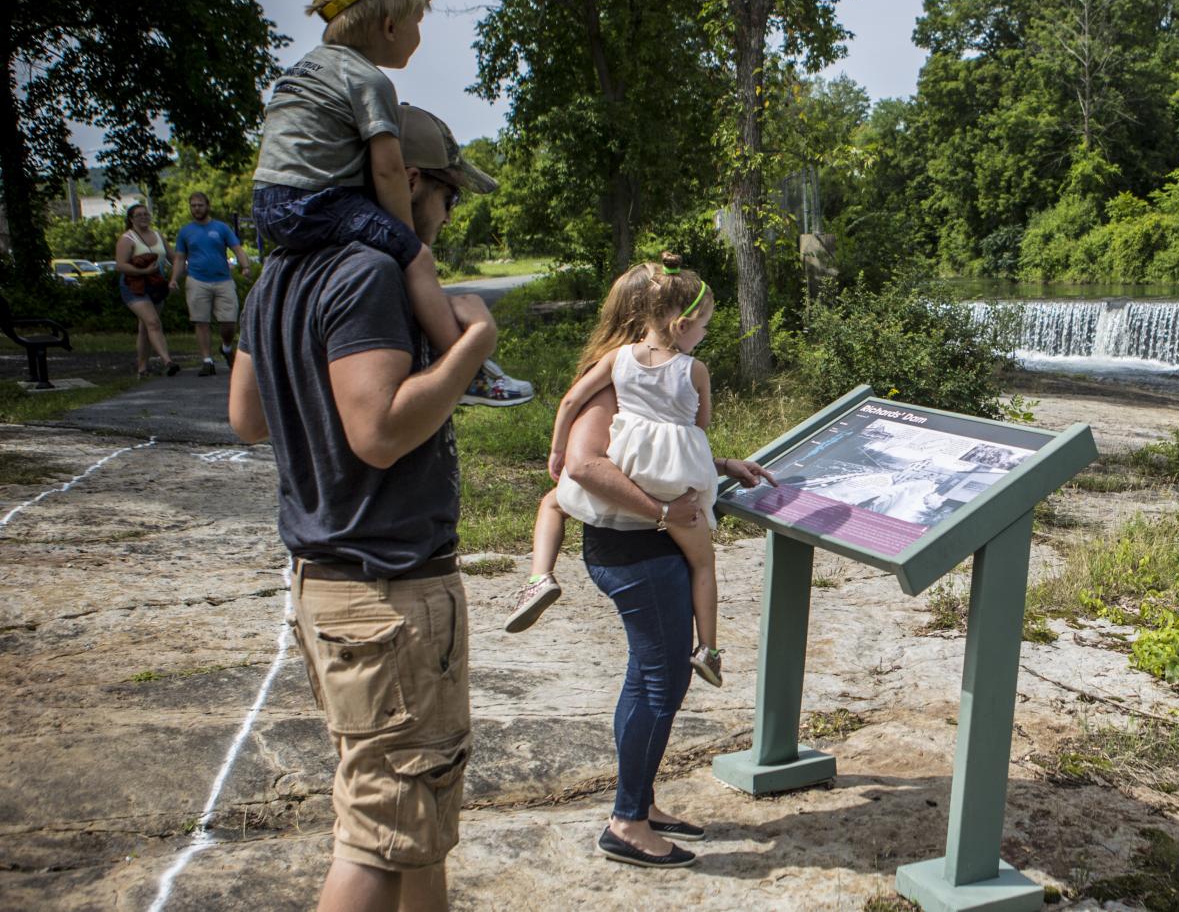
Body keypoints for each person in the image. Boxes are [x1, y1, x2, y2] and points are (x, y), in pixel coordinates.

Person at [227, 104, 497, 912]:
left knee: (414, 809)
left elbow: (246, 415)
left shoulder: (282, 269)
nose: (448, 214)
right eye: (449, 192)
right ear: (409, 183)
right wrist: (469, 349)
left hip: (325, 582)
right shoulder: (370, 273)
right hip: (390, 592)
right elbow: (378, 431)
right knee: (378, 836)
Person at [250, 0, 532, 407]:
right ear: (388, 25)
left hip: (268, 203)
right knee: (417, 260)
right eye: (417, 22)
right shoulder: (368, 79)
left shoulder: (299, 71)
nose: (419, 35)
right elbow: (387, 169)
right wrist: (402, 242)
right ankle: (468, 371)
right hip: (317, 200)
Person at [506, 256, 761, 690]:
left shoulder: (617, 362)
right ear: (682, 325)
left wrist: (556, 448)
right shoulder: (695, 370)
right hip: (675, 486)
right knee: (704, 564)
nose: (705, 334)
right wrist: (692, 478)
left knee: (551, 501)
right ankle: (709, 650)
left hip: (632, 468)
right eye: (704, 326)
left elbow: (569, 403)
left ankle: (539, 577)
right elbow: (697, 428)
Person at [562, 365, 773, 868]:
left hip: (649, 548)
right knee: (662, 682)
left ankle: (640, 803)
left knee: (645, 676)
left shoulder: (639, 382)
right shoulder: (612, 385)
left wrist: (717, 465)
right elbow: (585, 466)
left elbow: (650, 455)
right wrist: (662, 512)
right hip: (636, 552)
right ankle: (627, 825)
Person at [171, 191, 254, 376]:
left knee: (229, 321)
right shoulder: (186, 231)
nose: (197, 208)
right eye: (193, 205)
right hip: (197, 280)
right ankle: (207, 360)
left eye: (200, 205)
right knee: (201, 321)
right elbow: (179, 257)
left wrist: (245, 266)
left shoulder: (221, 228)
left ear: (207, 206)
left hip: (223, 279)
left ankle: (225, 347)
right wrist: (174, 279)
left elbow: (237, 248)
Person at [114, 203, 179, 378]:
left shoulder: (158, 235)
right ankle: (167, 361)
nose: (143, 217)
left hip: (156, 284)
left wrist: (176, 277)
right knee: (153, 322)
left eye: (146, 214)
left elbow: (174, 258)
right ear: (131, 219)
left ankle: (142, 368)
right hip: (134, 286)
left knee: (145, 327)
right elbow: (120, 265)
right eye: (139, 215)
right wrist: (144, 271)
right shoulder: (127, 238)